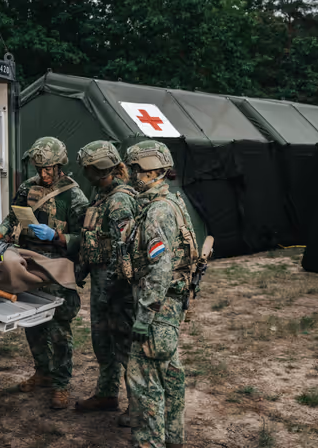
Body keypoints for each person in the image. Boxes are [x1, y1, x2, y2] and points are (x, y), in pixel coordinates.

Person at [0, 136, 89, 409]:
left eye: (48, 168)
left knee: (59, 331)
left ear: (60, 166)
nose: (43, 173)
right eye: (39, 169)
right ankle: (43, 372)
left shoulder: (74, 195)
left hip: (57, 270)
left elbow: (85, 238)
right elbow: (13, 217)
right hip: (29, 267)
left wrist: (57, 236)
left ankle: (61, 383)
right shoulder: (27, 187)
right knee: (32, 324)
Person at [123, 140, 198, 448]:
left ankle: (149, 443)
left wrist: (145, 314)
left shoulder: (157, 212)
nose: (131, 176)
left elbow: (161, 268)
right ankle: (172, 439)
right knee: (170, 376)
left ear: (153, 172)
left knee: (144, 383)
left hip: (158, 308)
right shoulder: (174, 202)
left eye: (136, 170)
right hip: (171, 306)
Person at [73, 141, 138, 423]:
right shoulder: (101, 194)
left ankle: (138, 406)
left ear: (97, 169)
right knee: (102, 343)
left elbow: (124, 250)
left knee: (124, 346)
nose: (84, 172)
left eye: (87, 167)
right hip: (101, 282)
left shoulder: (120, 199)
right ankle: (107, 394)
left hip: (115, 286)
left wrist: (112, 289)